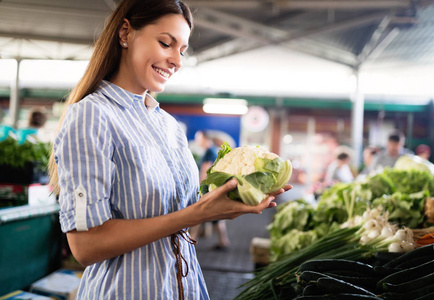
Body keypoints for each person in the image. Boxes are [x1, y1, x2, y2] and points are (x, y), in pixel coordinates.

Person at [47, 1, 291, 299]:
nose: (176, 59)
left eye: (183, 50)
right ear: (125, 33)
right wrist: (196, 215)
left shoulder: (168, 126)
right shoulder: (92, 116)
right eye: (166, 43)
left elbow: (178, 220)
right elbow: (86, 247)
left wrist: (226, 201)